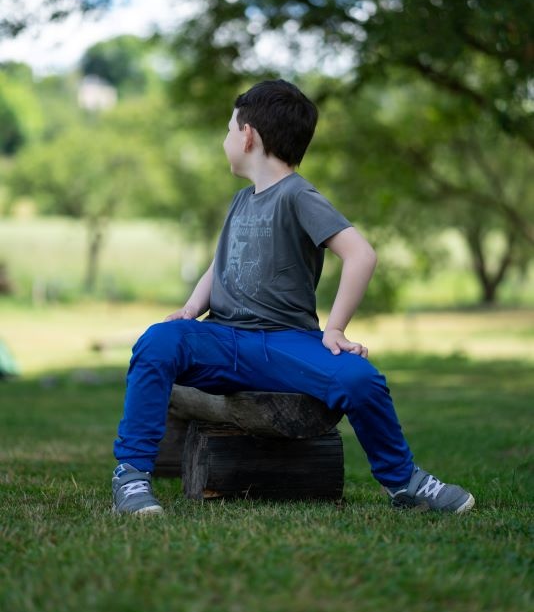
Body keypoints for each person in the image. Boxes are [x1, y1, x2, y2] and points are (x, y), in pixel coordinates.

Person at [112, 79, 475, 516]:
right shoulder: (241, 201)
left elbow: (361, 255)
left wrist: (336, 329)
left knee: (360, 380)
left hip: (285, 344)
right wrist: (191, 309)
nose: (225, 139)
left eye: (229, 130)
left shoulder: (298, 195)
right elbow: (221, 263)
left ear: (248, 136)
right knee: (157, 341)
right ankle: (131, 476)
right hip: (223, 340)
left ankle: (405, 482)